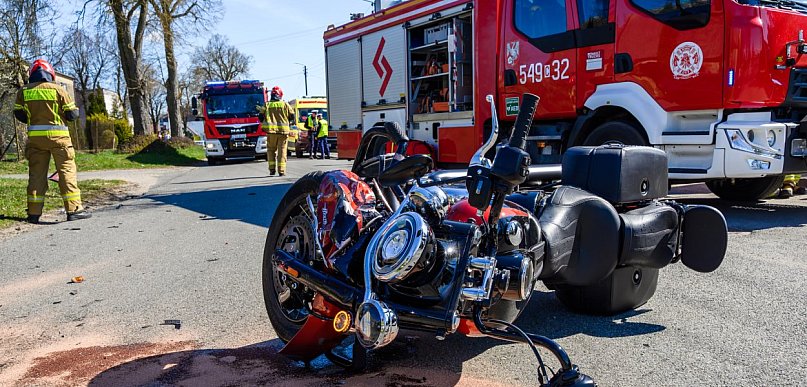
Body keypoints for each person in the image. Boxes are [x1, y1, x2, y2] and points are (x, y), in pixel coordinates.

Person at [13, 59, 91, 223]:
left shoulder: (23, 92)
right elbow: (72, 115)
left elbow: (19, 114)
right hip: (60, 140)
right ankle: (74, 210)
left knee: (36, 175)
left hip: (36, 141)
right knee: (66, 172)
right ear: (50, 74)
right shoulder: (59, 90)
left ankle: (33, 213)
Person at [261, 86, 294, 176]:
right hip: (283, 132)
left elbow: (260, 116)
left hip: (271, 132)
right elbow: (292, 116)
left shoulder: (267, 105)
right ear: (280, 95)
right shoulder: (285, 104)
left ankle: (272, 170)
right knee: (282, 151)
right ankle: (281, 171)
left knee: (271, 150)